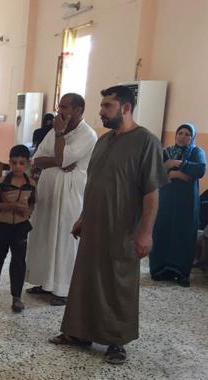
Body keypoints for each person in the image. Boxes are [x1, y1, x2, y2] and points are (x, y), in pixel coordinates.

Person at [50, 85, 167, 365]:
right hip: (94, 224)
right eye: (102, 105)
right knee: (87, 279)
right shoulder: (104, 141)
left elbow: (151, 192)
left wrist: (146, 233)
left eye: (107, 106)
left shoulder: (146, 142)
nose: (101, 111)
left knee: (118, 282)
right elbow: (95, 182)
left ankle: (116, 341)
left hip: (122, 228)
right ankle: (79, 332)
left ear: (125, 108)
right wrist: (83, 217)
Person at [24, 94, 97, 306]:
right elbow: (37, 160)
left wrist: (59, 141)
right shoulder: (54, 130)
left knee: (64, 240)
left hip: (70, 194)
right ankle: (44, 282)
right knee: (44, 235)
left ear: (79, 110)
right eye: (59, 107)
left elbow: (63, 158)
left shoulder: (88, 134)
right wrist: (57, 160)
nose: (59, 112)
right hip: (48, 192)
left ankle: (63, 289)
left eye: (64, 107)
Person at [150, 123, 206, 286]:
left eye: (187, 134)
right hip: (165, 200)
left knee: (184, 234)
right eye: (180, 133)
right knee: (162, 231)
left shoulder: (196, 152)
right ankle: (159, 269)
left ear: (192, 137)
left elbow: (200, 170)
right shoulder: (166, 151)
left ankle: (181, 273)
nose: (182, 136)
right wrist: (177, 174)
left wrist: (176, 164)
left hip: (186, 203)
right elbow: (156, 170)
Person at [0, 145, 36, 312]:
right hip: (3, 225)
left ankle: (17, 296)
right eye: (14, 163)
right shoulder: (2, 183)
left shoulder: (31, 184)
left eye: (22, 163)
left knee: (19, 260)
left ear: (28, 163)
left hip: (21, 227)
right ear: (9, 162)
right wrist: (11, 206)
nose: (17, 167)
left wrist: (28, 212)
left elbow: (32, 203)